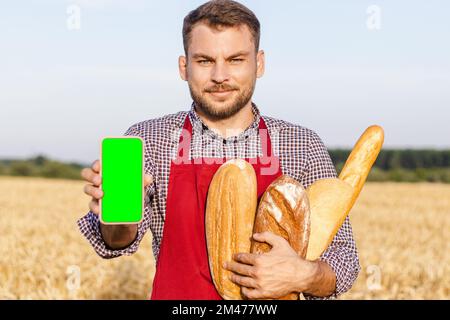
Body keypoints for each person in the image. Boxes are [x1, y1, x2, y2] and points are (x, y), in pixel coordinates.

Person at [78, 0, 360, 300]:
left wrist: (304, 274)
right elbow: (118, 242)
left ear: (259, 63)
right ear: (184, 67)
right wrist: (118, 216)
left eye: (236, 59)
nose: (220, 76)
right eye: (204, 61)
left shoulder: (301, 145)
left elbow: (343, 260)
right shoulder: (150, 139)